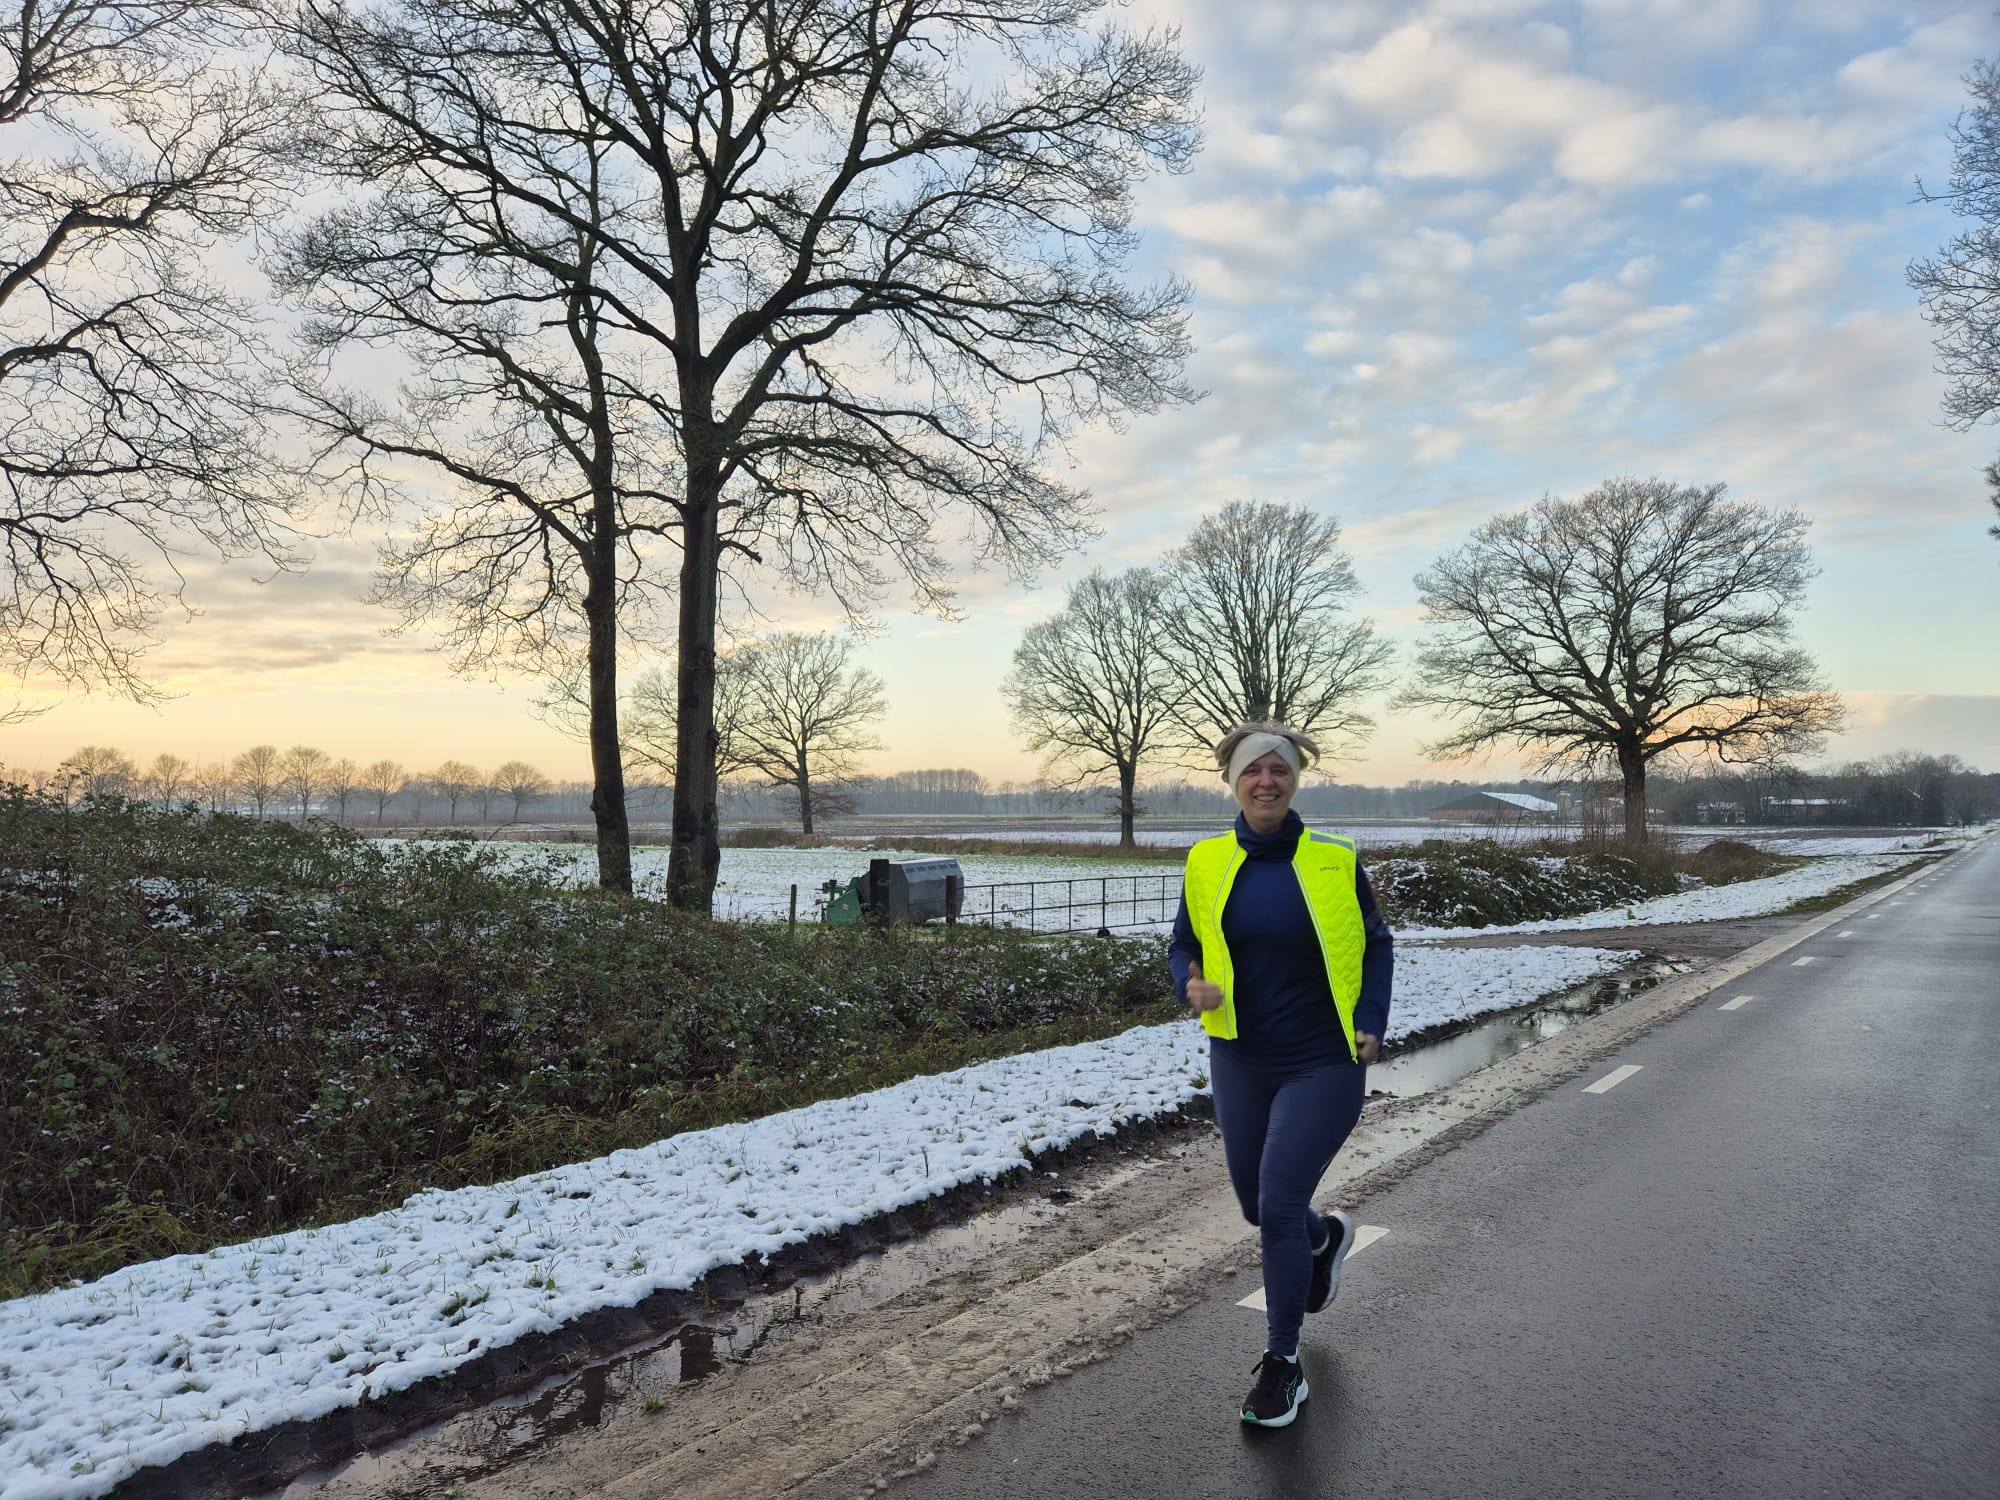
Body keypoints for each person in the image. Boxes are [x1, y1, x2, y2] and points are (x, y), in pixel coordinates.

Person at [1168, 721, 1394, 1428]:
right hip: (1239, 1057)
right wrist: (1191, 984)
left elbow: (1378, 942)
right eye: (1252, 771)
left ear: (1295, 779)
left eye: (1279, 770)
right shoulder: (1206, 860)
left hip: (1324, 1059)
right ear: (1233, 781)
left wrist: (1371, 1020)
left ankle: (1282, 1364)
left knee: (1275, 1204)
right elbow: (1183, 945)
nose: (1266, 781)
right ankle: (1322, 1240)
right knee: (1259, 1207)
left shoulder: (1334, 858)